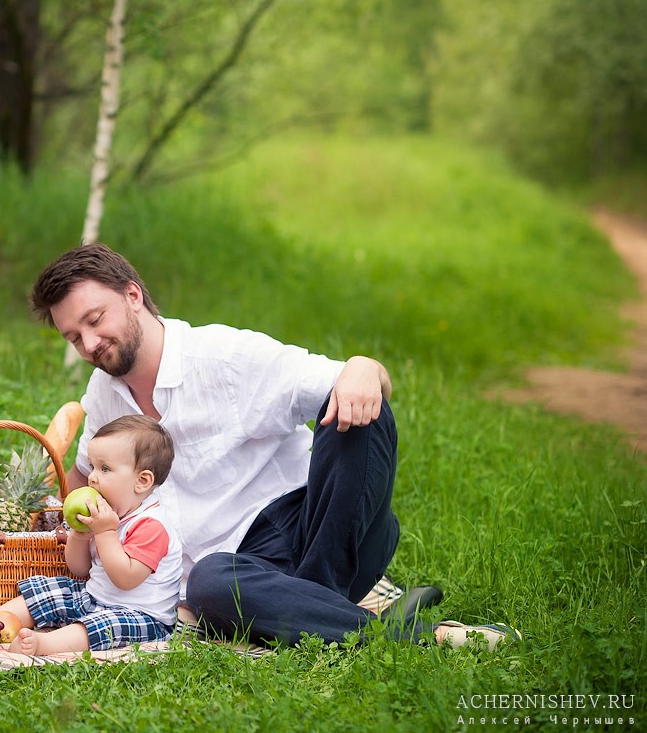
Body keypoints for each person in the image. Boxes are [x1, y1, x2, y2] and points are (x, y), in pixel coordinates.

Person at [29, 243, 518, 650]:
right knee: (210, 585)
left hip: (319, 530)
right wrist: (39, 514)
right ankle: (393, 629)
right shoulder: (102, 395)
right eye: (75, 337)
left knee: (358, 413)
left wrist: (365, 365)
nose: (90, 343)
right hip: (240, 574)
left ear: (133, 296)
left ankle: (310, 603)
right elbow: (82, 478)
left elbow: (357, 381)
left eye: (95, 320)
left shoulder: (226, 357)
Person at [0, 414, 182, 655]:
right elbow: (79, 569)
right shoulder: (107, 515)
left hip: (140, 617)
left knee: (100, 627)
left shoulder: (152, 525)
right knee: (51, 590)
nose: (92, 477)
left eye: (105, 469)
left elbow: (126, 578)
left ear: (141, 481)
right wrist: (80, 536)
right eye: (92, 466)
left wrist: (106, 533)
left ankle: (44, 645)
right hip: (95, 597)